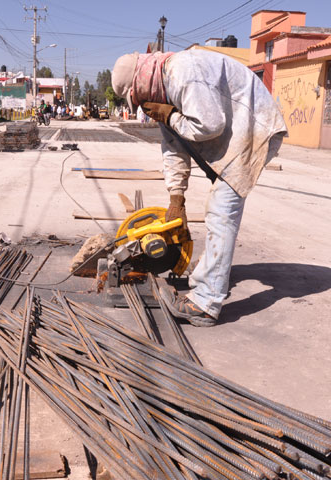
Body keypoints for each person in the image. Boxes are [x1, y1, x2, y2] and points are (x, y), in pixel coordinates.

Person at [112, 49, 287, 327]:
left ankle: (205, 303)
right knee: (220, 205)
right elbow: (174, 147)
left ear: (141, 83)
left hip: (254, 126)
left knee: (222, 209)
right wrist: (176, 198)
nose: (142, 106)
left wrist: (171, 117)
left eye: (138, 99)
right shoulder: (163, 95)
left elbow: (209, 125)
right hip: (233, 130)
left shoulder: (182, 72)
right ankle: (210, 274)